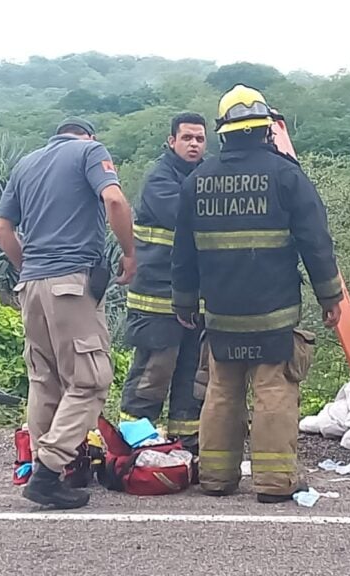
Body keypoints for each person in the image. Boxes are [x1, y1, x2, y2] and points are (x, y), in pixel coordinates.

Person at [171, 84, 342, 503]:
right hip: (273, 312)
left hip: (222, 313)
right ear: (266, 130)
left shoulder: (199, 180)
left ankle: (215, 477)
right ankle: (274, 482)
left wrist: (184, 302)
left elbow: (183, 251)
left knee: (222, 390)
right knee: (273, 392)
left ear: (224, 132)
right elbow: (315, 243)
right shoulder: (287, 176)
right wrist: (330, 297)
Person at [0, 116, 136, 510]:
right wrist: (129, 252)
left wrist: (28, 270)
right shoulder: (90, 152)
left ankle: (47, 470)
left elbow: (2, 228)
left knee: (45, 380)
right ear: (88, 137)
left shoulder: (27, 164)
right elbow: (114, 200)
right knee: (91, 380)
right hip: (70, 283)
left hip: (31, 286)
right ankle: (49, 472)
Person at [120, 112, 208, 452]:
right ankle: (132, 448)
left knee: (192, 379)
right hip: (156, 300)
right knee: (152, 376)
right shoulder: (159, 179)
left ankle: (184, 447)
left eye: (199, 139)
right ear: (171, 141)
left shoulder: (205, 174)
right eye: (187, 138)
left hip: (194, 302)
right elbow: (187, 218)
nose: (194, 144)